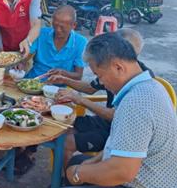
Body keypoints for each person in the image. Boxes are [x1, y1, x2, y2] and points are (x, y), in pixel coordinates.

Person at [44, 33, 177, 188]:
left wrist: (78, 174)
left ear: (119, 67)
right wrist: (88, 164)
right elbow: (118, 145)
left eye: (100, 76)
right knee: (77, 162)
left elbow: (122, 171)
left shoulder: (136, 103)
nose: (100, 83)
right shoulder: (147, 86)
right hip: (142, 185)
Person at [50, 28, 154, 167]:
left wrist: (81, 100)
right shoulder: (111, 70)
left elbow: (118, 117)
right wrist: (65, 80)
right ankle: (63, 173)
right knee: (63, 127)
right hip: (103, 122)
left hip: (115, 131)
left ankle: (66, 177)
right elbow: (90, 88)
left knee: (67, 143)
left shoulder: (141, 85)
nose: (102, 81)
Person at [26, 5, 87, 81]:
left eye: (62, 27)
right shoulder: (41, 33)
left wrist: (63, 73)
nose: (58, 30)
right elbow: (27, 56)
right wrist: (21, 63)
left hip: (60, 85)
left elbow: (78, 76)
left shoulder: (81, 42)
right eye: (55, 25)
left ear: (73, 25)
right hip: (33, 80)